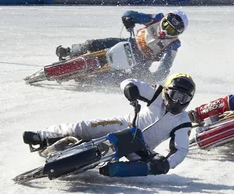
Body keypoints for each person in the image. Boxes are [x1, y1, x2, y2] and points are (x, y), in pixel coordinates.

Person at [22, 73, 196, 176]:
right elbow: (129, 82)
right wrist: (130, 89)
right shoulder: (156, 92)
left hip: (142, 148)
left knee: (149, 166)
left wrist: (166, 164)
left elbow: (180, 150)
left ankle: (106, 168)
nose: (177, 102)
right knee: (86, 126)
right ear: (166, 91)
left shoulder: (183, 122)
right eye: (175, 95)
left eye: (184, 98)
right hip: (125, 125)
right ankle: (42, 136)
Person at [55, 10, 188, 82]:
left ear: (177, 33)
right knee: (93, 44)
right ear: (163, 20)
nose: (164, 31)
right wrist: (129, 19)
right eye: (165, 26)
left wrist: (154, 77)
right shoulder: (156, 18)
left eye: (170, 30)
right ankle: (69, 51)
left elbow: (165, 67)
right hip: (128, 43)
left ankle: (89, 79)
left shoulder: (174, 45)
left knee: (118, 79)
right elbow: (132, 14)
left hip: (140, 62)